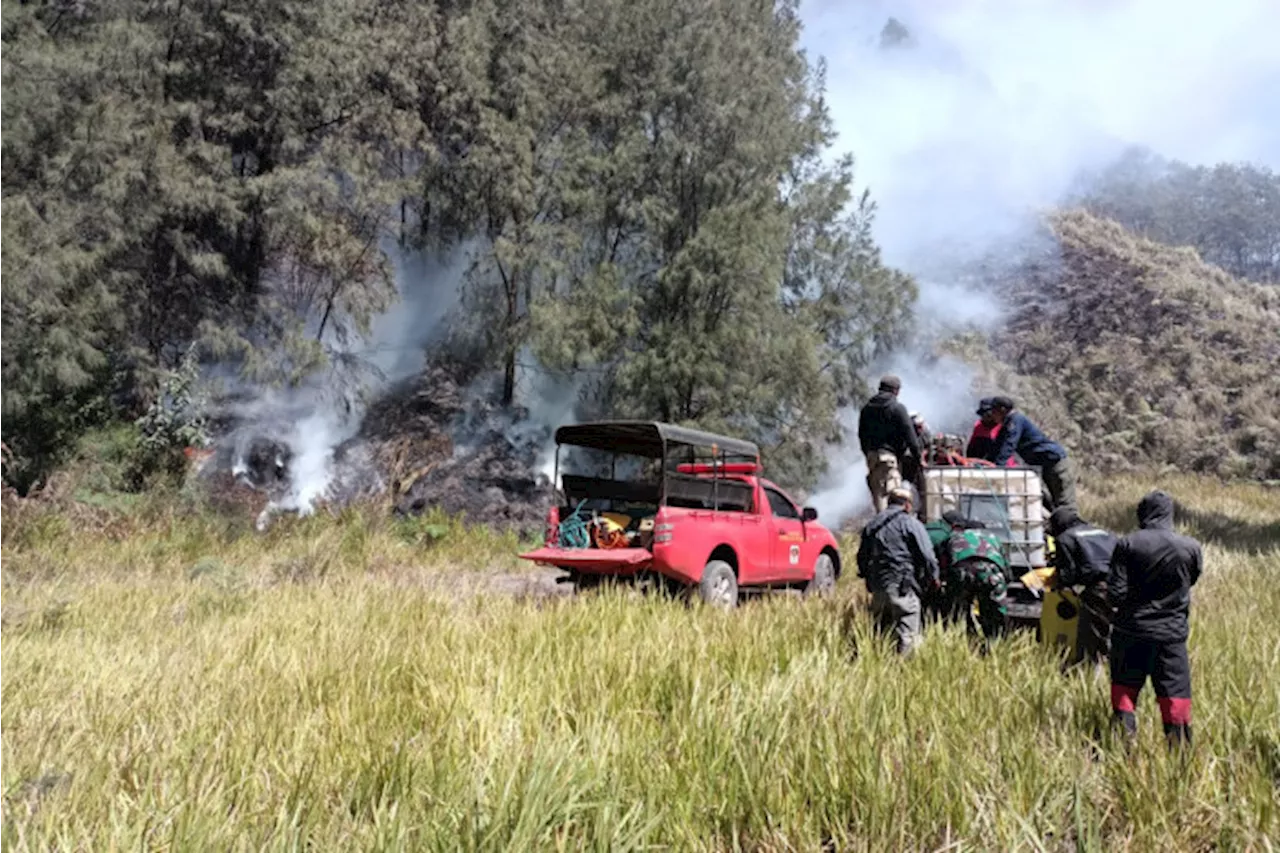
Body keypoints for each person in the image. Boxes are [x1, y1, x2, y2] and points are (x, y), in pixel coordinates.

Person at [1107, 490, 1203, 747]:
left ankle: (1121, 748)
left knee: (1125, 693)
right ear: (1170, 515)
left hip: (1130, 632)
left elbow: (1115, 595)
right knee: (1175, 699)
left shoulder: (1127, 544)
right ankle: (1179, 761)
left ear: (1142, 514)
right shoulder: (1191, 548)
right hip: (1171, 637)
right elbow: (1189, 582)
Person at [856, 486, 940, 656]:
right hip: (903, 587)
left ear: (889, 502)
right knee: (907, 633)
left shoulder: (872, 525)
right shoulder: (910, 523)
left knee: (880, 631)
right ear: (908, 505)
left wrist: (867, 578)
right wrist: (934, 578)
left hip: (878, 586)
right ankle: (904, 671)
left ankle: (877, 664)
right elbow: (928, 556)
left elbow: (862, 557)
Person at [1048, 506, 1118, 667]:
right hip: (1122, 587)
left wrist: (1056, 575)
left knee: (1092, 638)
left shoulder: (1065, 538)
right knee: (1116, 632)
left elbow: (1068, 576)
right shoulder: (1104, 533)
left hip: (1098, 590)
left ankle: (1090, 676)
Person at [982, 396, 1077, 511]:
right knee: (1047, 503)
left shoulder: (1015, 420)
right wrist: (986, 464)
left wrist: (997, 470)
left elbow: (1008, 446)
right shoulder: (1007, 425)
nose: (991, 415)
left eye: (993, 411)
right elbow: (998, 447)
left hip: (1056, 464)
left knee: (1065, 506)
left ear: (1002, 410)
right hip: (1045, 466)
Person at [857, 375, 922, 513]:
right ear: (896, 391)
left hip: (873, 459)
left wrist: (869, 454)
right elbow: (911, 437)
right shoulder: (897, 409)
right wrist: (918, 458)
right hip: (889, 461)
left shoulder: (866, 409)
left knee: (879, 499)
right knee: (895, 502)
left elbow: (862, 436)